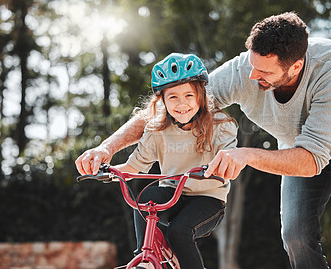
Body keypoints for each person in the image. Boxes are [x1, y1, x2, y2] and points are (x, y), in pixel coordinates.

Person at [75, 12, 331, 269]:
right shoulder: (244, 70)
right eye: (252, 65)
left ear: (295, 67)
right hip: (300, 145)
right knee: (295, 234)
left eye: (264, 72)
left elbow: (312, 160)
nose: (252, 77)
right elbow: (174, 109)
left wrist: (245, 155)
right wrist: (107, 147)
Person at [77, 53, 238, 268]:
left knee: (179, 231)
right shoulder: (157, 130)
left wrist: (222, 167)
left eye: (189, 95)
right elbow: (133, 167)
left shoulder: (221, 125)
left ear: (201, 96)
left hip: (207, 199)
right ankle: (146, 259)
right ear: (162, 100)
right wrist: (106, 171)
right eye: (173, 97)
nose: (182, 104)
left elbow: (230, 159)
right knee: (146, 199)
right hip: (172, 193)